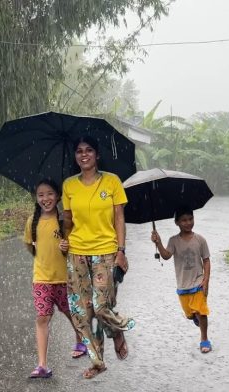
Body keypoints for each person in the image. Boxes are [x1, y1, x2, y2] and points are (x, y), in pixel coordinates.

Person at [62, 136, 135, 379]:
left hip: (106, 251)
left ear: (97, 155)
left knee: (102, 306)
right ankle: (97, 361)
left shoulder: (112, 182)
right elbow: (69, 220)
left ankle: (119, 329)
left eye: (89, 150)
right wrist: (64, 237)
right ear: (75, 156)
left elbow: (119, 218)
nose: (84, 155)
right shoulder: (69, 185)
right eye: (79, 151)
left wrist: (121, 251)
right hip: (77, 253)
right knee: (82, 311)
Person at [23, 179, 87, 379]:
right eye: (41, 194)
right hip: (41, 279)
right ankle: (42, 365)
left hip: (64, 279)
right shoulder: (31, 221)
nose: (45, 198)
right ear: (36, 198)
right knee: (42, 317)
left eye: (50, 194)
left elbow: (77, 246)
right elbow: (30, 246)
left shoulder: (65, 221)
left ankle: (80, 339)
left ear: (58, 196)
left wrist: (67, 248)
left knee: (71, 313)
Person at [151, 206, 212, 353]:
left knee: (202, 311)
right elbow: (166, 255)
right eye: (183, 220)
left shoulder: (200, 240)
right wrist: (158, 242)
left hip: (198, 282)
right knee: (190, 314)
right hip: (183, 285)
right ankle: (194, 317)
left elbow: (206, 260)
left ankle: (204, 339)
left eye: (190, 219)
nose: (188, 223)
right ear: (177, 222)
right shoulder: (173, 241)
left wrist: (206, 280)